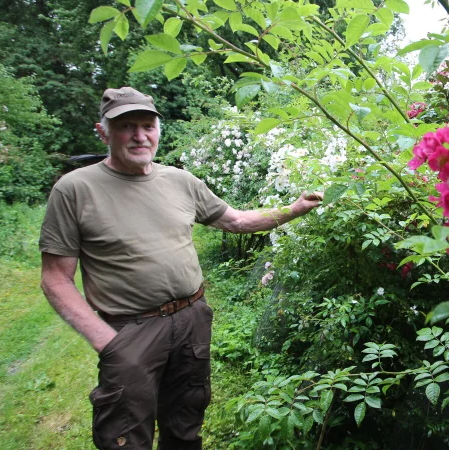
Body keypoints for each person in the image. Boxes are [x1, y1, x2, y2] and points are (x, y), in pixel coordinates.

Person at [39, 87, 322, 450]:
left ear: (158, 129)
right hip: (131, 330)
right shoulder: (75, 189)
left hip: (191, 320)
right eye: (127, 126)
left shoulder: (180, 181)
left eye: (147, 125)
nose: (139, 136)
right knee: (125, 434)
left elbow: (235, 220)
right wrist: (107, 342)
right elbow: (55, 279)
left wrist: (293, 209)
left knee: (186, 424)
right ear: (103, 131)